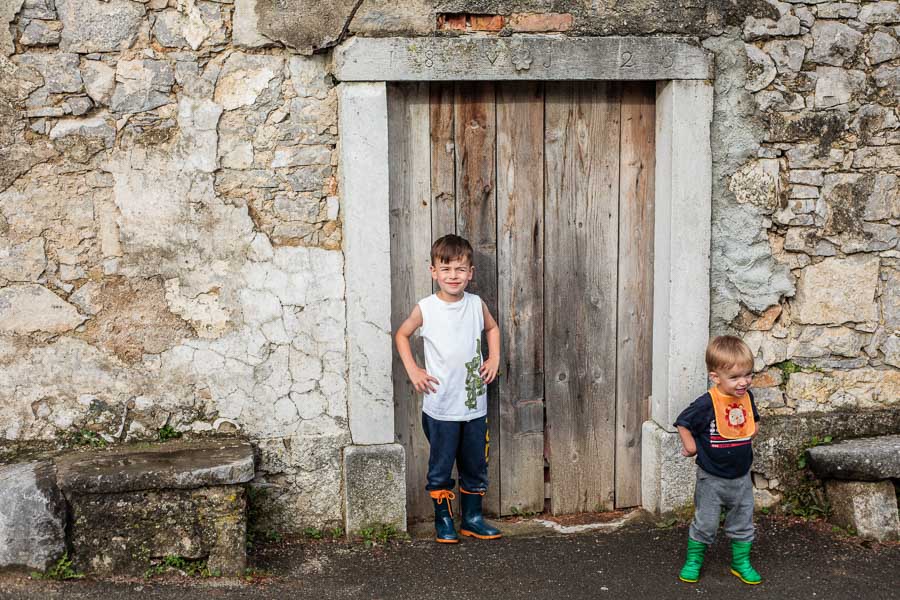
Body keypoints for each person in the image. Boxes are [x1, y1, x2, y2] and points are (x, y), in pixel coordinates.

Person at [394, 234, 502, 544]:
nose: (453, 276)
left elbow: (492, 328)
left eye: (459, 269)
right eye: (446, 269)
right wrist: (414, 369)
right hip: (441, 406)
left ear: (470, 273)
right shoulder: (426, 308)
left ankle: (472, 518)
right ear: (433, 272)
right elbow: (402, 335)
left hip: (473, 406)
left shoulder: (475, 304)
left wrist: (493, 357)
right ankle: (443, 521)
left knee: (474, 463)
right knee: (441, 465)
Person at [674, 335, 762, 585]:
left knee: (743, 521)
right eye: (735, 377)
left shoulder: (746, 397)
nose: (743, 382)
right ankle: (693, 560)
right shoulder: (707, 404)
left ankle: (740, 562)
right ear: (715, 377)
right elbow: (683, 421)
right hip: (711, 477)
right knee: (706, 522)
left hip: (742, 476)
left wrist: (752, 428)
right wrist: (690, 448)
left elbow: (753, 419)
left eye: (748, 374)